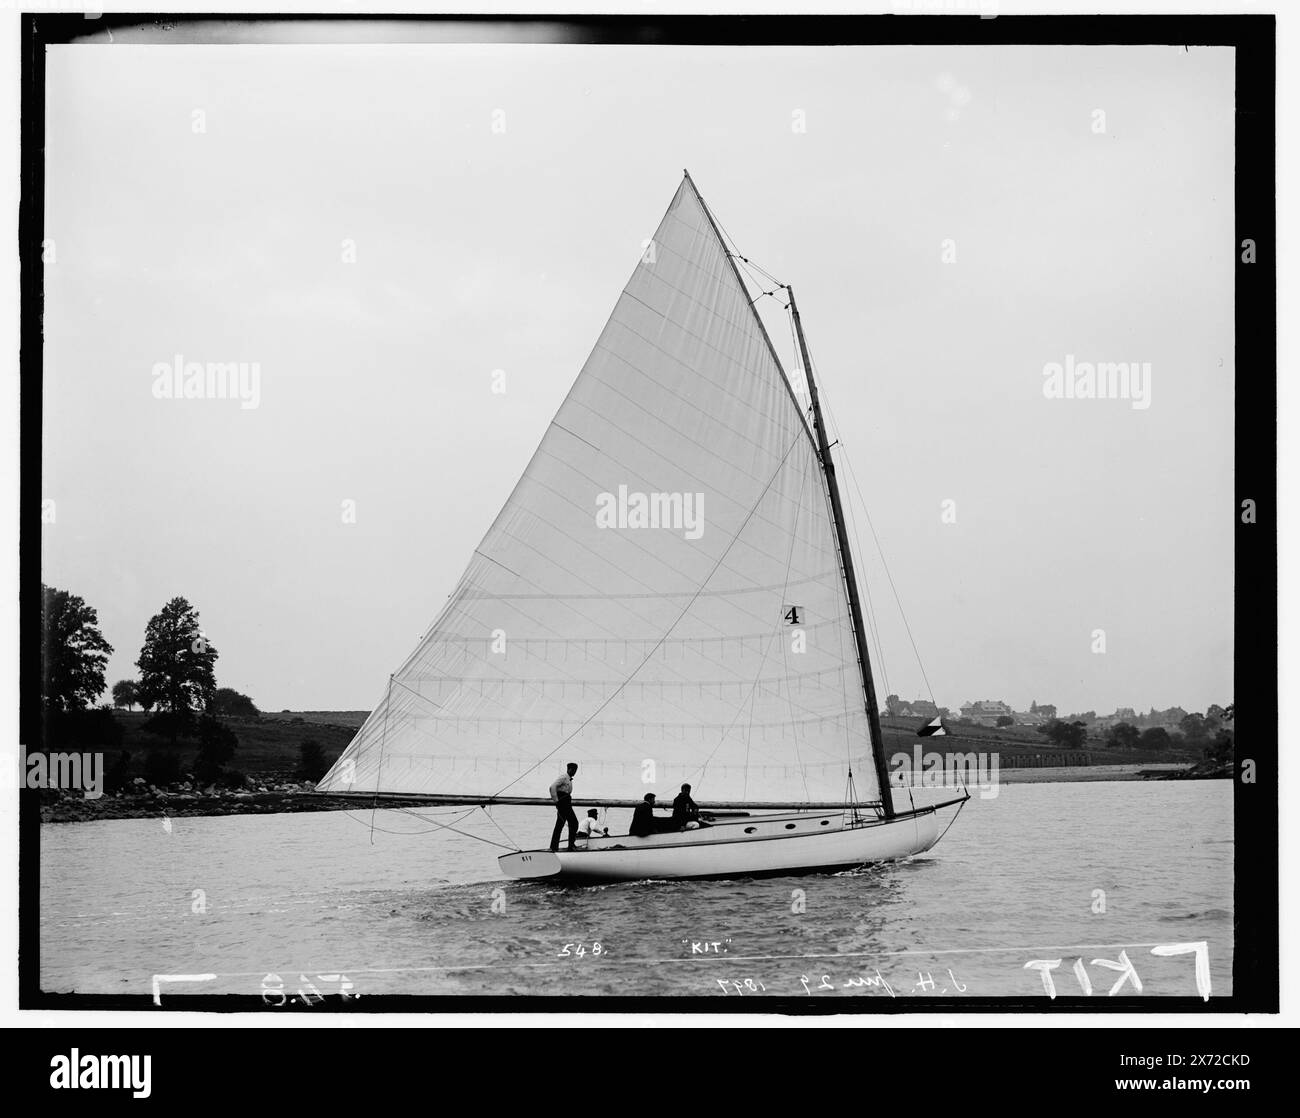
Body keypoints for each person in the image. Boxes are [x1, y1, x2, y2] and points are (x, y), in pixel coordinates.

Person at [549, 762, 579, 852]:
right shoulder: (563, 777)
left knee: (562, 824)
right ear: (569, 769)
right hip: (563, 803)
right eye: (573, 770)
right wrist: (556, 801)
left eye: (575, 770)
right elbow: (552, 787)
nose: (574, 772)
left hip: (566, 802)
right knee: (572, 823)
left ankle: (557, 846)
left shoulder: (569, 779)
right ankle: (568, 845)